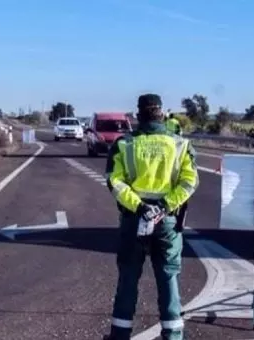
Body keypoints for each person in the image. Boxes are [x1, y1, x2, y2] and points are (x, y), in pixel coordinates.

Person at [103, 94, 199, 340]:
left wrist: (140, 207)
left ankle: (119, 335)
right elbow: (190, 182)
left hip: (135, 219)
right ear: (162, 114)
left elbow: (115, 182)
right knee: (168, 277)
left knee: (128, 279)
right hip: (167, 221)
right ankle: (173, 336)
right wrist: (166, 205)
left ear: (138, 115)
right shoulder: (179, 144)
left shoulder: (125, 144)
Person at [164, 114, 189, 232]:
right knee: (183, 198)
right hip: (177, 167)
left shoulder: (167, 124)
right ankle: (179, 224)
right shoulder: (176, 125)